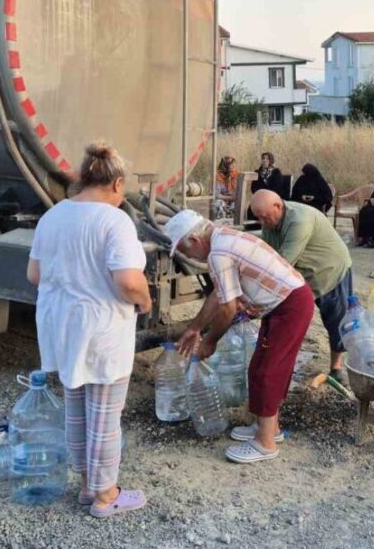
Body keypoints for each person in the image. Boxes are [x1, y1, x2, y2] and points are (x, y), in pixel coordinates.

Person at [26, 144, 151, 518]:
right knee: (105, 416)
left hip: (62, 328)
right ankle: (105, 495)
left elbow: (34, 274)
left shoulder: (53, 216)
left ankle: (86, 485)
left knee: (77, 409)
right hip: (102, 329)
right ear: (117, 183)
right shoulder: (114, 221)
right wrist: (145, 300)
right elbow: (128, 280)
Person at [165, 210, 313, 464]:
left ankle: (265, 444)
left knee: (267, 371)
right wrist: (195, 328)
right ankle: (270, 429)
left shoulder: (218, 254)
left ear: (195, 240)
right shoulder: (225, 237)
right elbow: (219, 293)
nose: (188, 257)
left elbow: (228, 308)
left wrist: (210, 341)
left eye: (184, 251)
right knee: (262, 367)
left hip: (289, 306)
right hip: (287, 302)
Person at [251, 190, 353, 383]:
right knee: (287, 316)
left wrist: (255, 292)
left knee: (335, 319)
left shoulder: (300, 220)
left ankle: (336, 367)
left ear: (278, 206)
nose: (262, 222)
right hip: (302, 272)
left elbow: (282, 264)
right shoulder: (269, 222)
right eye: (259, 218)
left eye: (264, 217)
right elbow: (268, 255)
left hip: (330, 269)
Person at [247, 152, 290, 221]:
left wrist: (267, 196)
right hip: (260, 197)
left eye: (267, 159)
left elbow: (277, 187)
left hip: (271, 198)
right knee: (252, 209)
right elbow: (253, 188)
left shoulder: (276, 172)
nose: (265, 160)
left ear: (271, 161)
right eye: (263, 158)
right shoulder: (257, 172)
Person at [214, 156, 240, 220]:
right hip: (223, 201)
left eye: (234, 165)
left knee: (235, 206)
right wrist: (230, 197)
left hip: (233, 201)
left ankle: (234, 223)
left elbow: (237, 195)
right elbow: (216, 195)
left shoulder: (237, 176)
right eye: (232, 165)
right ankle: (220, 222)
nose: (234, 167)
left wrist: (231, 197)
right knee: (219, 204)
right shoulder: (218, 176)